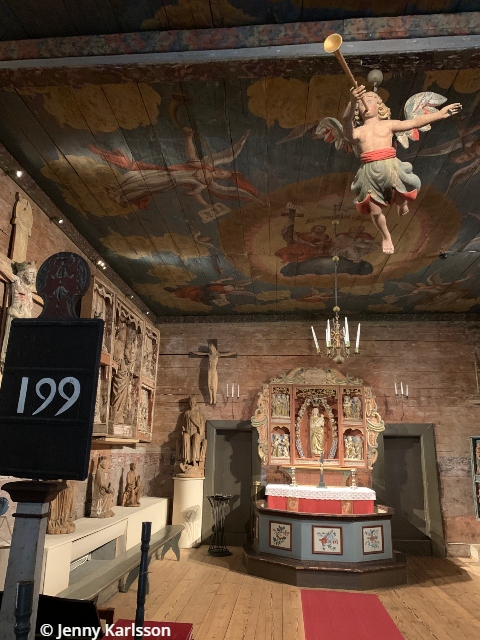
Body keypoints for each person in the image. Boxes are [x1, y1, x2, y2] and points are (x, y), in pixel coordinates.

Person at [343, 86, 462, 254]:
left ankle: (402, 204)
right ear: (357, 111)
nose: (365, 105)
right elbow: (346, 124)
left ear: (379, 106)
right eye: (361, 104)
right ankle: (386, 236)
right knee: (375, 211)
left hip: (390, 166)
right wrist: (352, 101)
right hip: (369, 171)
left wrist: (440, 114)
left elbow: (414, 122)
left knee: (400, 195)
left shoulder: (388, 124)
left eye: (369, 101)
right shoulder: (358, 131)